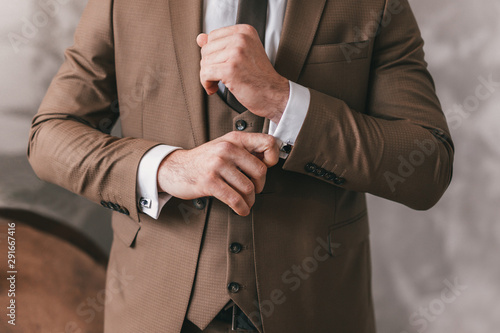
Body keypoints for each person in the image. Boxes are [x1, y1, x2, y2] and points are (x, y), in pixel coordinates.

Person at [27, 0, 454, 332]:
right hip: (153, 310)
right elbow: (50, 136)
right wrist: (166, 168)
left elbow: (427, 166)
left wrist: (283, 100)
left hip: (315, 311)